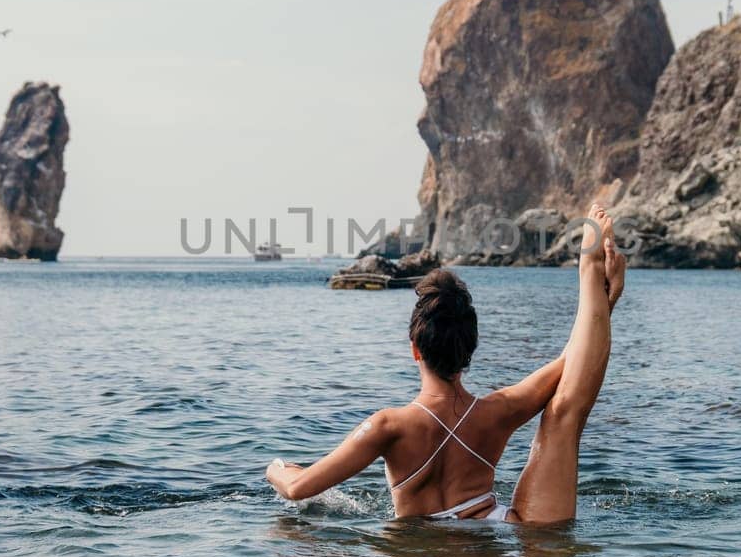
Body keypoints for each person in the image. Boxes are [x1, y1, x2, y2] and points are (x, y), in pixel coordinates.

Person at [264, 204, 626, 525]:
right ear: (470, 349)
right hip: (503, 527)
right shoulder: (498, 411)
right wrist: (604, 305)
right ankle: (589, 278)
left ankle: (591, 278)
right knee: (562, 415)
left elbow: (297, 490)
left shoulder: (387, 426)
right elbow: (571, 362)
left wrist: (277, 469)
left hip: (428, 556)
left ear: (415, 350)